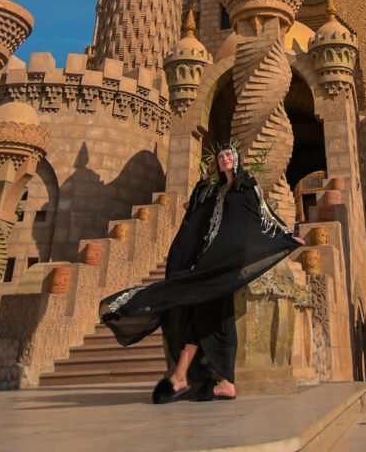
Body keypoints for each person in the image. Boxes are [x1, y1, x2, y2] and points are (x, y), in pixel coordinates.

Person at [100, 144, 304, 404]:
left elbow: (265, 213)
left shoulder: (248, 183)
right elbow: (198, 220)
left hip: (231, 258)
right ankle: (205, 379)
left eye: (229, 155)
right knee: (208, 311)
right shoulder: (216, 190)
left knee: (204, 306)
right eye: (220, 157)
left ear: (237, 159)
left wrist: (287, 235)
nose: (225, 158)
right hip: (211, 257)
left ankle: (186, 375)